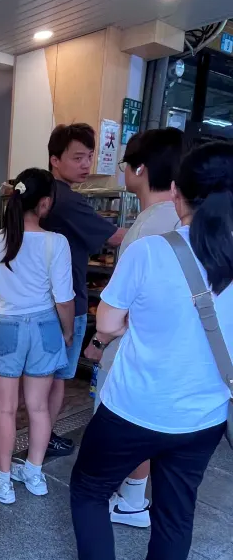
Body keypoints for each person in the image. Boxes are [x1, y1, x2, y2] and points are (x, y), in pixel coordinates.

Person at [57, 141, 233, 560]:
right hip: (203, 416)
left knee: (89, 491)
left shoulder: (152, 251)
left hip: (134, 408)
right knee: (176, 511)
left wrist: (142, 321)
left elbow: (108, 323)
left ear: (179, 195)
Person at [84, 128, 182, 528]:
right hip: (170, 351)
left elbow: (115, 313)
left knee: (120, 424)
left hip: (132, 347)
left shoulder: (143, 230)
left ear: (140, 169)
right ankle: (135, 500)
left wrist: (96, 342)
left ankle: (117, 498)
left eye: (126, 164)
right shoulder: (183, 217)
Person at [0, 169, 74, 503]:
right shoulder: (57, 243)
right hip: (45, 328)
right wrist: (67, 332)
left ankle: (1, 480)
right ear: (44, 203)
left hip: (4, 325)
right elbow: (64, 300)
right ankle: (34, 473)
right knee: (39, 408)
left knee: (5, 409)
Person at [41, 123, 126, 457]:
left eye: (89, 157)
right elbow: (116, 236)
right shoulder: (68, 200)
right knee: (57, 378)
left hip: (36, 301)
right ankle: (44, 437)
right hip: (66, 302)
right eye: (77, 157)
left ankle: (34, 433)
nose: (85, 164)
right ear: (54, 159)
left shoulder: (39, 194)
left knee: (37, 377)